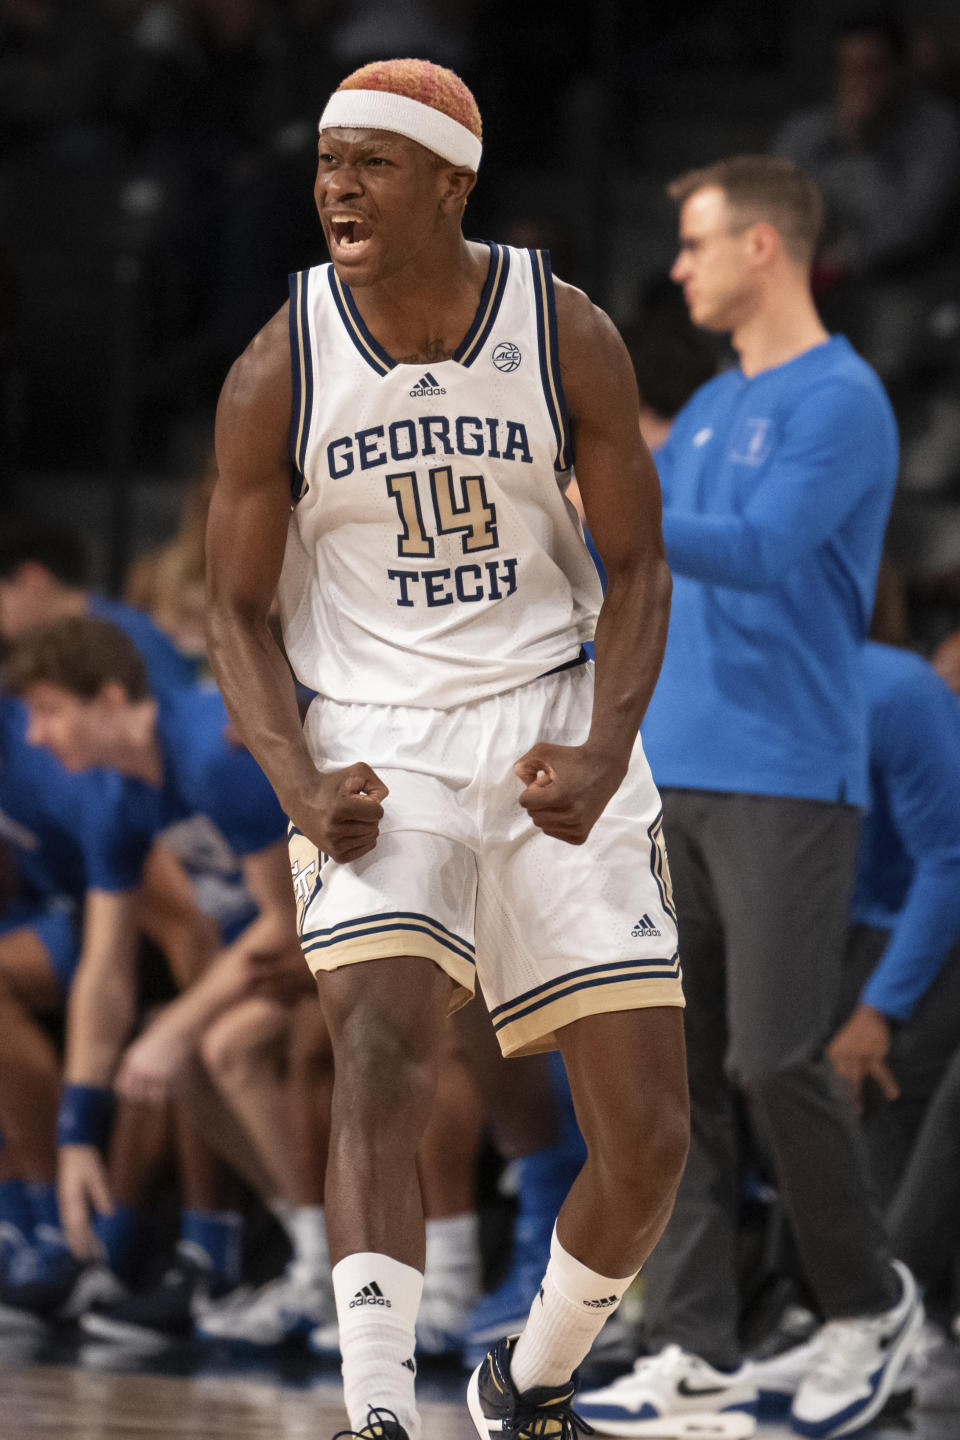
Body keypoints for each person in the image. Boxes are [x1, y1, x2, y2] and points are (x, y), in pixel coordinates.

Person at [205, 56, 688, 1440]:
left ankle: (522, 1385)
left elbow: (641, 568)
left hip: (548, 715)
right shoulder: (278, 360)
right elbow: (233, 610)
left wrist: (604, 747)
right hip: (374, 733)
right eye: (326, 163)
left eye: (373, 162)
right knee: (380, 1049)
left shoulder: (566, 329)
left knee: (650, 1139)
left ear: (453, 183)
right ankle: (377, 1414)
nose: (338, 188)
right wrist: (296, 779)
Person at [576, 155, 920, 1440]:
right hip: (683, 774)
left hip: (789, 776)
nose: (681, 267)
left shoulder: (844, 401)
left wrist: (614, 497)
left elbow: (767, 550)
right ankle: (694, 1346)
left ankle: (865, 1305)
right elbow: (646, 556)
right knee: (676, 1085)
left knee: (774, 1056)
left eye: (699, 243)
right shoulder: (716, 404)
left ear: (765, 248)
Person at [773, 11, 960, 282]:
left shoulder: (936, 131)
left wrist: (859, 145)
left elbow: (907, 234)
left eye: (871, 67)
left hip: (907, 283)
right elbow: (781, 210)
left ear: (899, 69)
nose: (858, 80)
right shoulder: (805, 132)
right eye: (848, 68)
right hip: (813, 277)